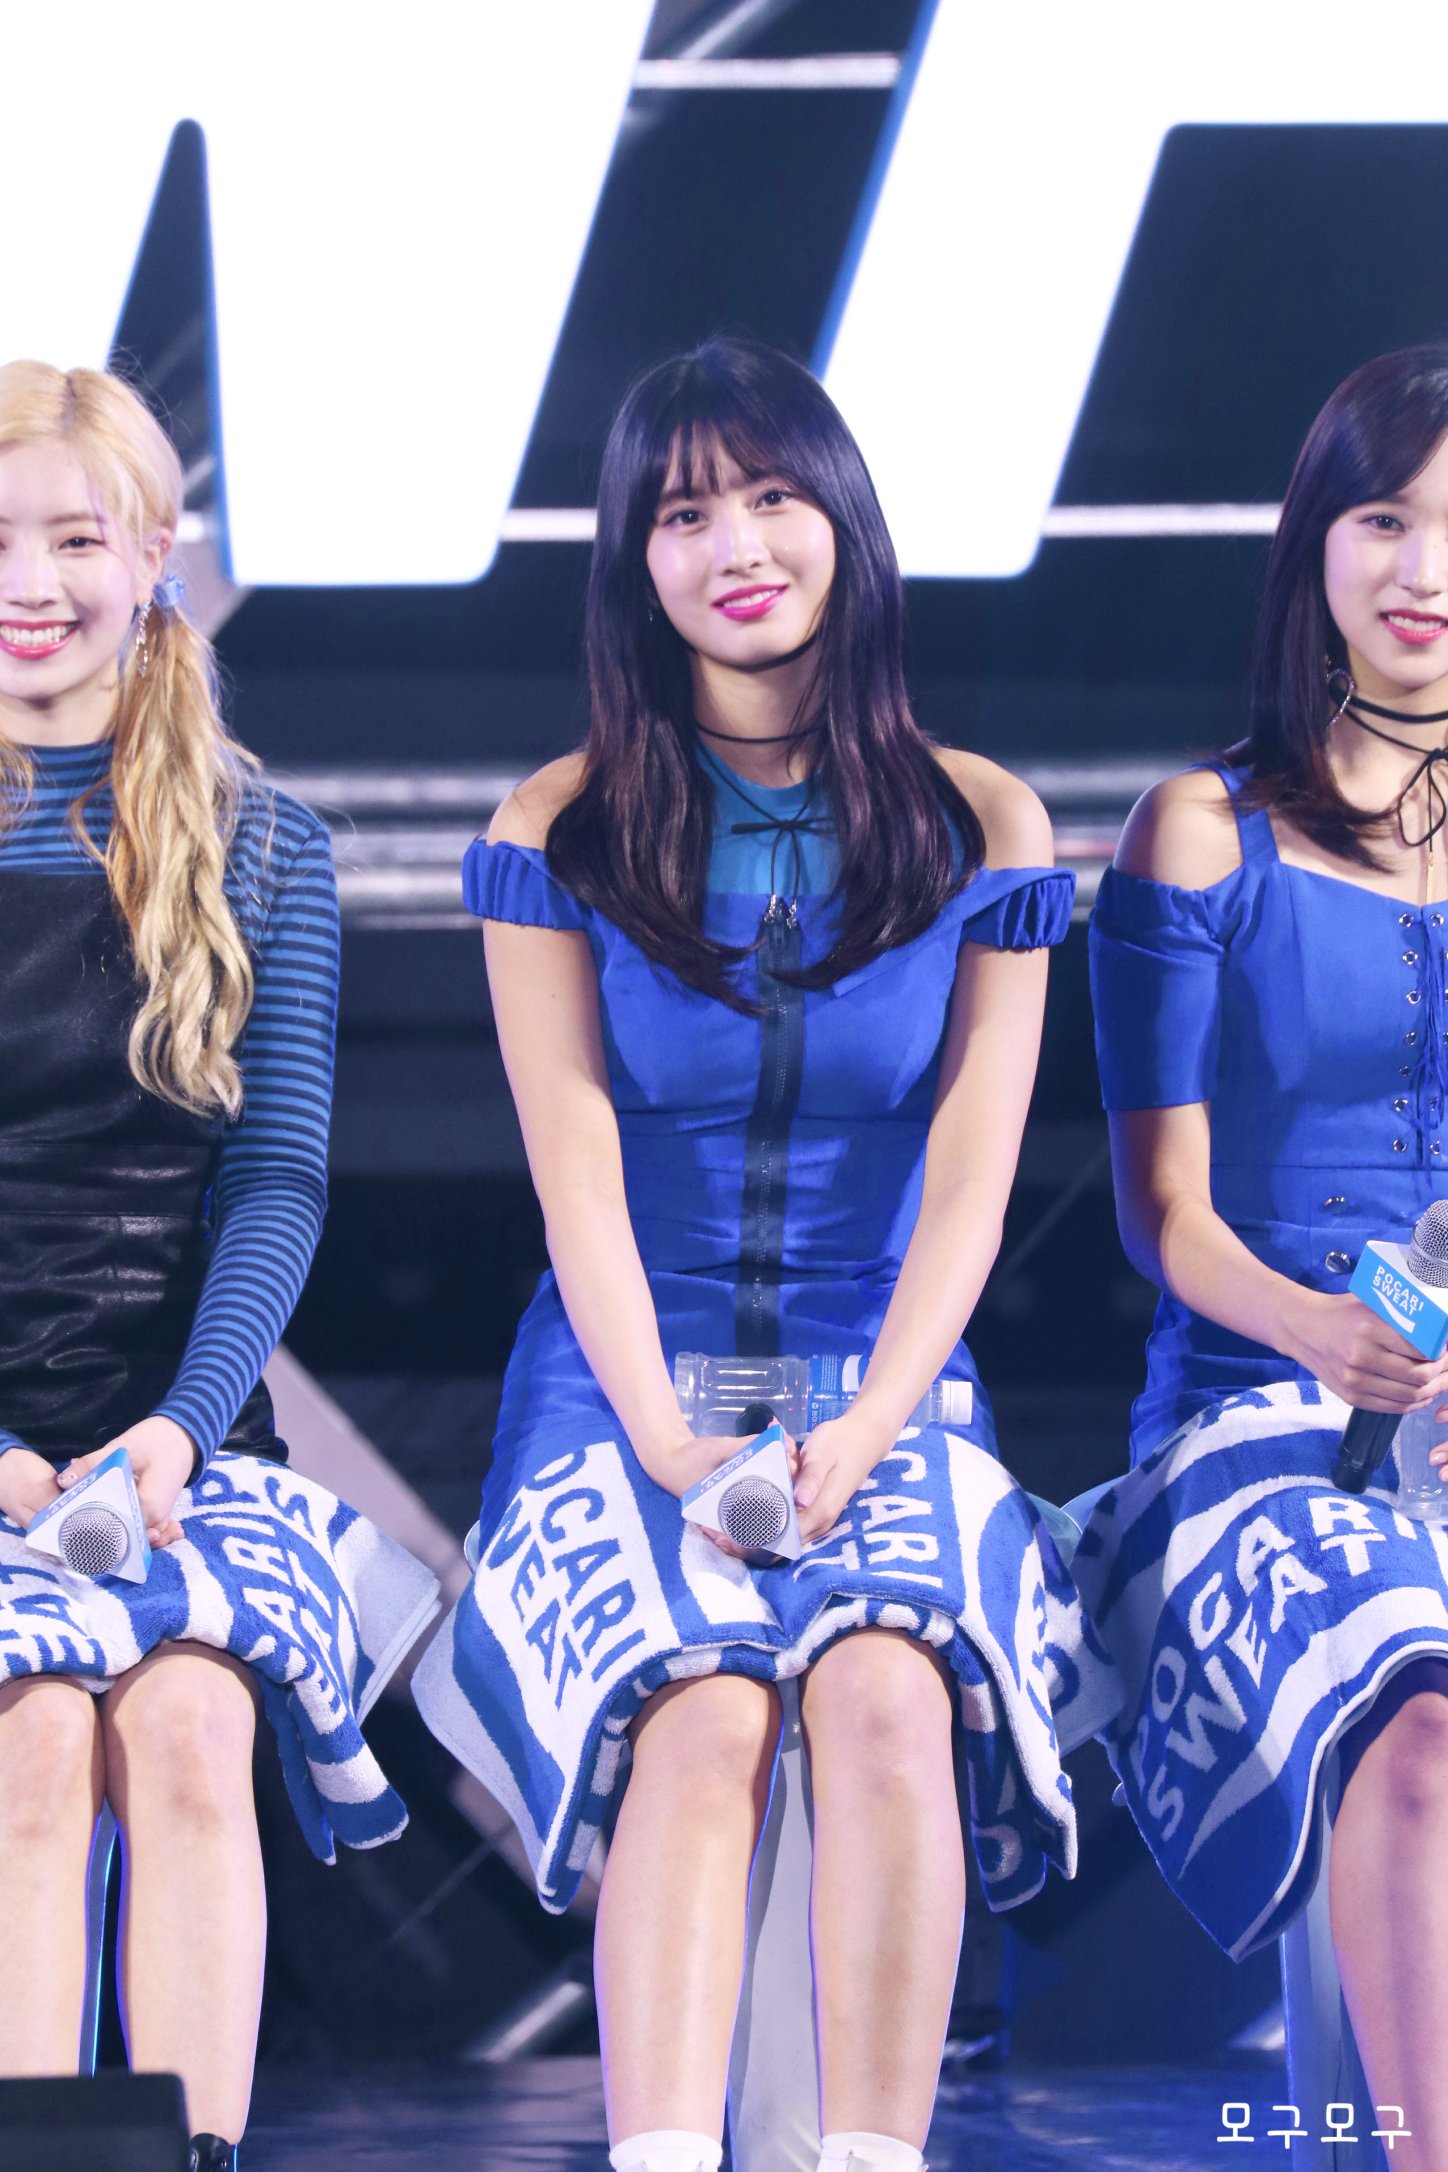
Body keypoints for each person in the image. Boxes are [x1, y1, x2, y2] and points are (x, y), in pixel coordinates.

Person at [414, 336, 1113, 2172]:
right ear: (631, 560)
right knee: (704, 1708)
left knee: (887, 1689)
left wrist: (872, 1428)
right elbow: (574, 1179)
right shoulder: (556, 826)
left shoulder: (983, 822)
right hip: (620, 1380)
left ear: (845, 522)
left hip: (884, 1374)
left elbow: (970, 1178)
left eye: (774, 495)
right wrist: (663, 1440)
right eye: (683, 511)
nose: (735, 544)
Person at [0, 361, 438, 2172]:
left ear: (155, 555)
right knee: (31, 1744)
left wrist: (180, 1430)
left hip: (177, 1442)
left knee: (187, 1730)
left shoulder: (266, 843)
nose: (31, 582)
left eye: (73, 537)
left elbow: (275, 1182)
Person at [1078, 344, 1448, 2166]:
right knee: (1421, 1716)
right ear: (1317, 543)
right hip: (1258, 1417)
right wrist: (1328, 1337)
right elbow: (1164, 1217)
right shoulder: (1201, 833)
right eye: (1386, 519)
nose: (1424, 571)